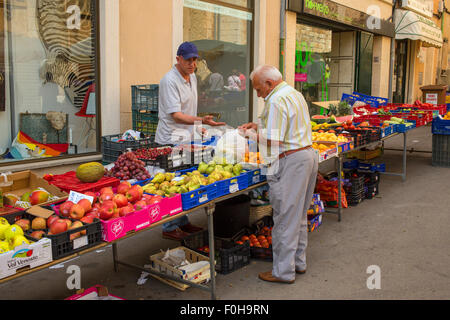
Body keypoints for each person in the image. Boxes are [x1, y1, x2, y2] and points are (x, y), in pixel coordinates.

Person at [239, 65, 318, 284]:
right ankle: (298, 263)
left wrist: (250, 134)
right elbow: (287, 126)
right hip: (307, 156)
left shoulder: (274, 100)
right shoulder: (294, 93)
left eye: (258, 89)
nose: (258, 94)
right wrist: (259, 125)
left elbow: (275, 140)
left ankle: (282, 272)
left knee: (284, 218)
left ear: (269, 84)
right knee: (299, 215)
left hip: (290, 162)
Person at [156, 42, 226, 241]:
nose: (192, 63)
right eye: (188, 59)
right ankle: (169, 225)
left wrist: (197, 127)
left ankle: (182, 221)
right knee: (173, 183)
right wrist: (200, 121)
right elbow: (176, 115)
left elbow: (189, 111)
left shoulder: (193, 77)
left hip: (186, 138)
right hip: (170, 139)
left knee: (184, 180)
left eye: (195, 59)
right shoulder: (169, 80)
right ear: (178, 59)